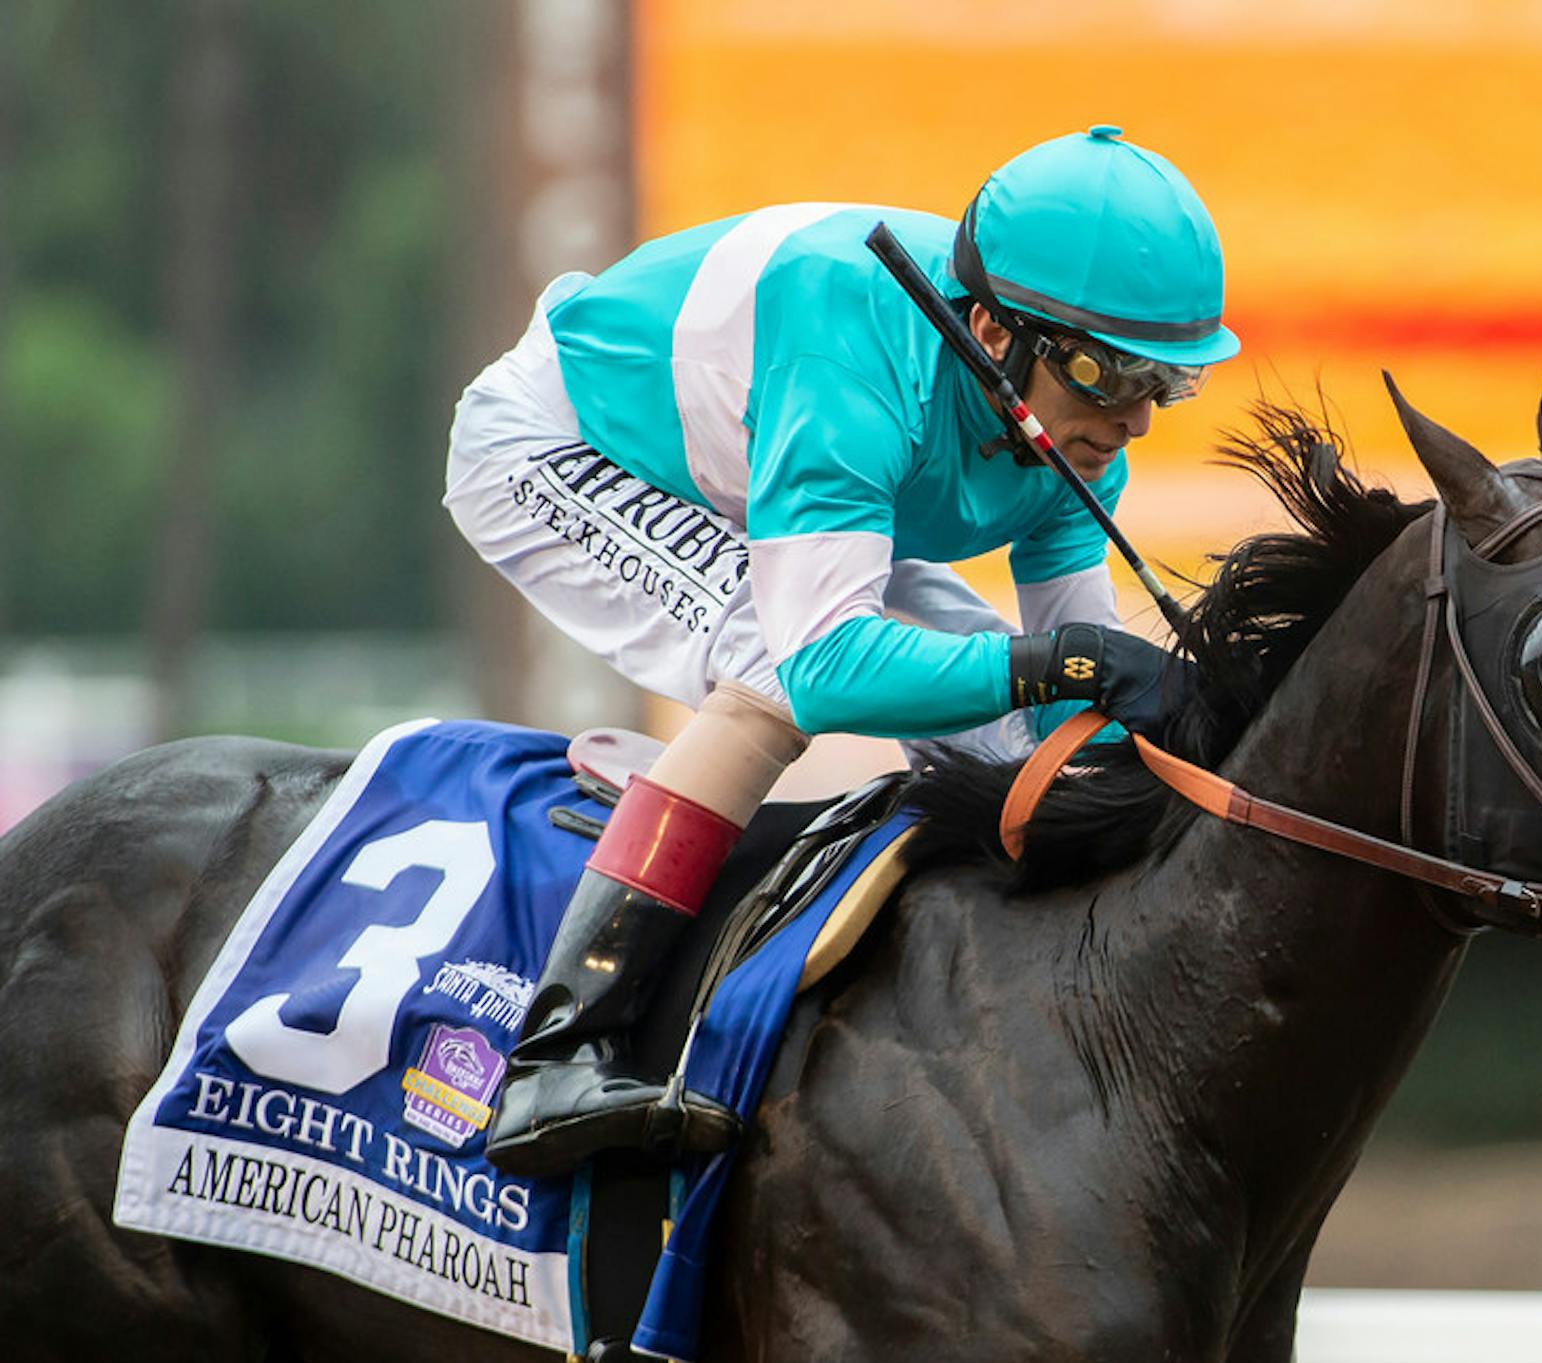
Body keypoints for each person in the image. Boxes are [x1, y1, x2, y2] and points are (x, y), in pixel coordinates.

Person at [444, 125, 1239, 1177]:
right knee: (772, 669)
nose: (1134, 420)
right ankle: (556, 1049)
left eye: (1164, 386)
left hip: (761, 469)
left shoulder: (1074, 439)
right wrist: (1065, 666)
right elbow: (826, 671)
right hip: (562, 447)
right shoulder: (852, 355)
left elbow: (1057, 718)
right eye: (1107, 375)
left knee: (1004, 718)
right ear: (996, 332)